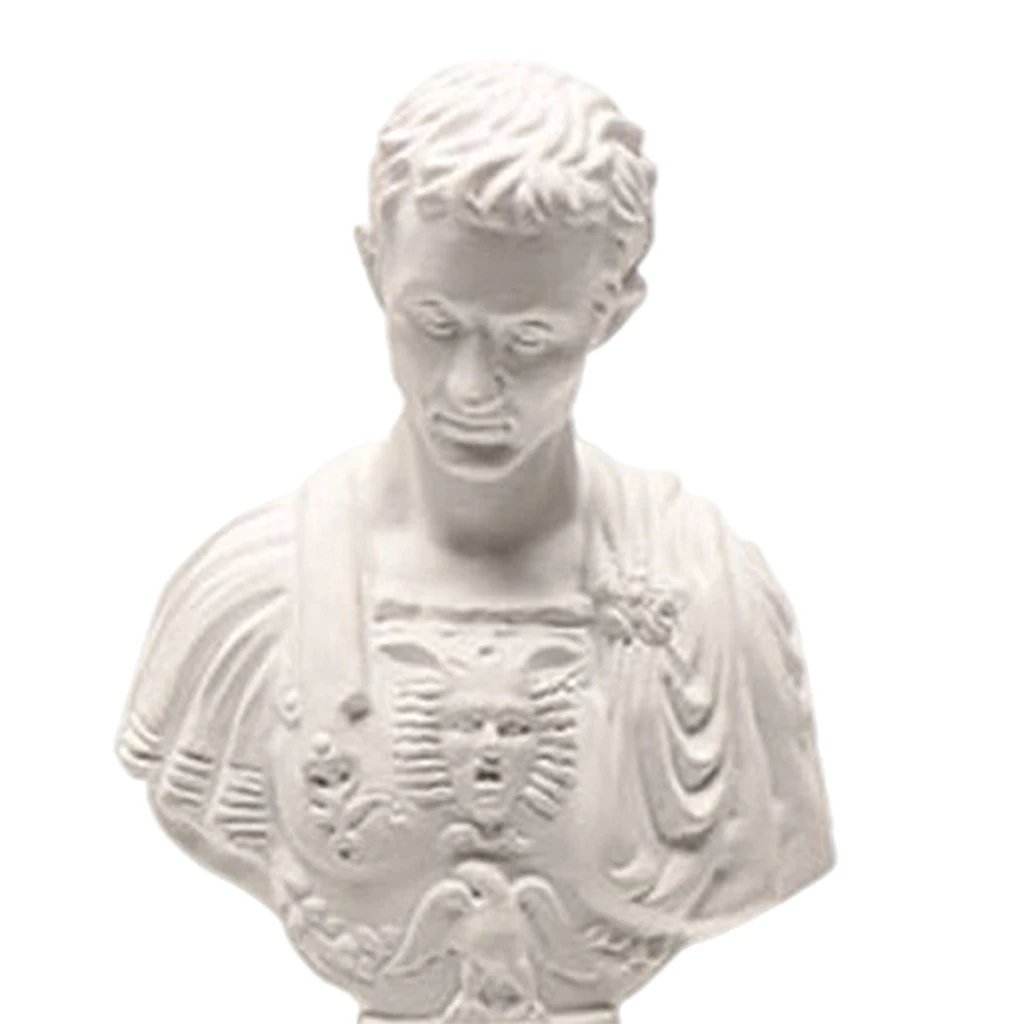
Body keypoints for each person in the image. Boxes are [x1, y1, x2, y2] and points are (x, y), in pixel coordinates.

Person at [117, 61, 833, 1020]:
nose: (467, 388)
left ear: (612, 312)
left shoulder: (711, 597)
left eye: (528, 340)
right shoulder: (248, 599)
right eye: (434, 323)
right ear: (373, 270)